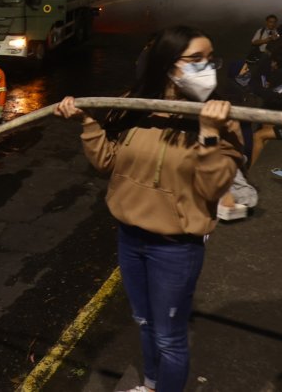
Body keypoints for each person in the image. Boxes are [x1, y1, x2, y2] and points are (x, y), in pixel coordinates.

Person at [55, 25, 242, 392]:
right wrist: (87, 123)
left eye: (210, 58)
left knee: (170, 338)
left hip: (175, 248)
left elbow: (211, 187)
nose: (208, 67)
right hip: (130, 237)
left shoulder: (221, 120)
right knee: (143, 321)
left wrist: (208, 133)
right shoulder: (136, 103)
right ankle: (152, 384)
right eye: (196, 59)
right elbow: (108, 163)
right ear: (169, 65)